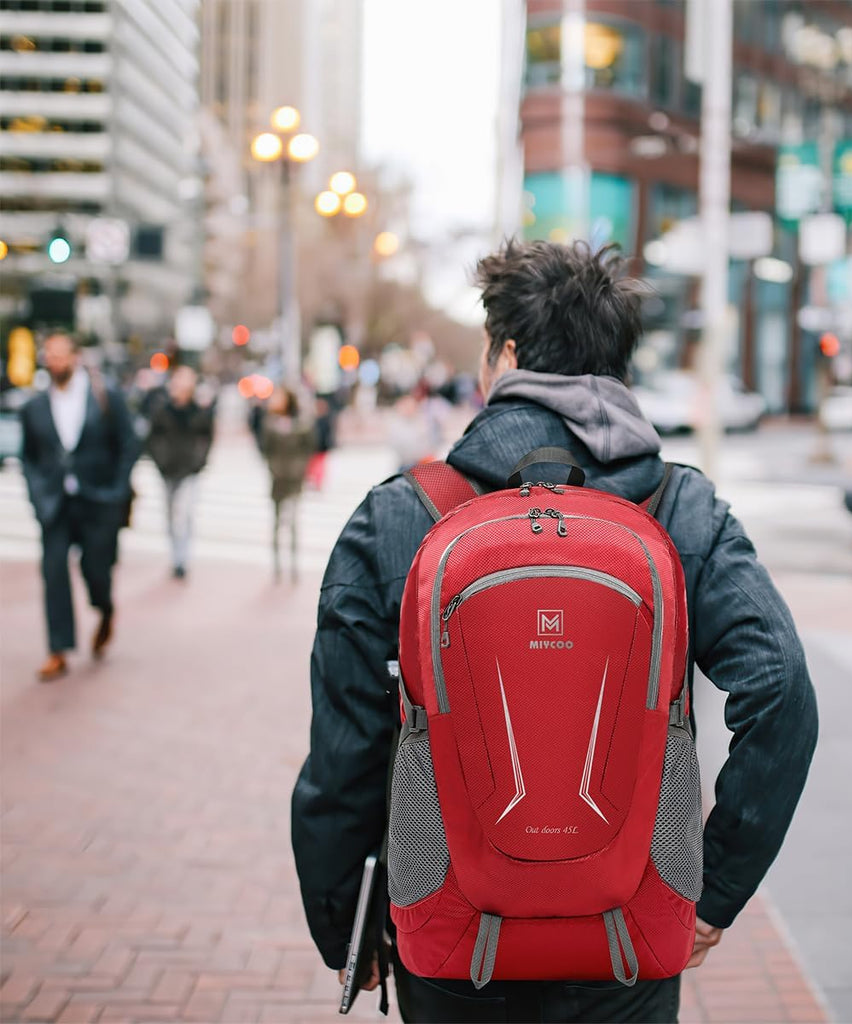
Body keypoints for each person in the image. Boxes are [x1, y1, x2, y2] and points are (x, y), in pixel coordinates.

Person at [291, 240, 818, 1022]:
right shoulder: (682, 511)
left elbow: (347, 747)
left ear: (504, 355)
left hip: (452, 935)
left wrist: (346, 921)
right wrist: (715, 891)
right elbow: (780, 693)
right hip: (625, 937)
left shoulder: (401, 515)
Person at [19, 333, 140, 682]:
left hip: (98, 501)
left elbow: (129, 443)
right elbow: (28, 457)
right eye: (49, 355)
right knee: (54, 572)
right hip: (55, 504)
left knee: (96, 571)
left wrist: (117, 489)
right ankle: (58, 650)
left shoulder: (105, 397)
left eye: (61, 355)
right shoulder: (35, 406)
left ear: (76, 357)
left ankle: (105, 609)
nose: (55, 361)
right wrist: (36, 494)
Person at [145, 366, 215, 579]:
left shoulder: (199, 411)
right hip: (168, 470)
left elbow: (207, 437)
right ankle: (175, 554)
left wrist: (198, 462)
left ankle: (182, 559)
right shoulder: (162, 410)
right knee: (170, 515)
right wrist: (161, 460)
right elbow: (152, 438)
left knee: (184, 514)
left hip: (189, 471)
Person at [259, 385, 315, 583]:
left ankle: (293, 564)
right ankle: (277, 565)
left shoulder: (301, 423)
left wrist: (300, 468)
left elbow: (309, 447)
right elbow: (265, 448)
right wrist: (273, 467)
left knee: (292, 522)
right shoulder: (269, 422)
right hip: (277, 479)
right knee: (276, 523)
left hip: (294, 479)